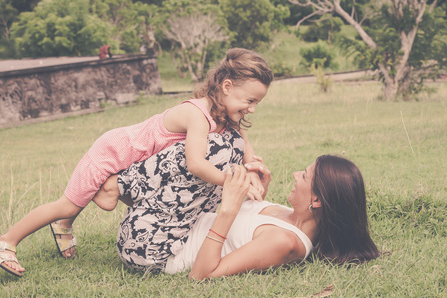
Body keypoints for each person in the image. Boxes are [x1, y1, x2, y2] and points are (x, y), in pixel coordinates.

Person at [0, 48, 273, 278]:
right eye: (249, 100)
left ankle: (65, 224)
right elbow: (196, 165)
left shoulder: (225, 111)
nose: (252, 108)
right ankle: (8, 241)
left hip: (132, 162)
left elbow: (242, 140)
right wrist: (233, 182)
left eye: (257, 103)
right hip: (112, 153)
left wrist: (252, 166)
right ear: (226, 87)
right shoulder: (197, 114)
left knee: (98, 201)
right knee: (68, 203)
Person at [108, 147, 379, 276]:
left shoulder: (284, 242)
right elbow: (247, 229)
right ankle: (117, 186)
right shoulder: (292, 214)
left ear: (317, 200)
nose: (296, 175)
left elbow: (202, 274)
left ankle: (112, 185)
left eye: (304, 176)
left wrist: (229, 208)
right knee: (222, 152)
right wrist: (260, 191)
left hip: (153, 250)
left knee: (217, 150)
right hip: (174, 226)